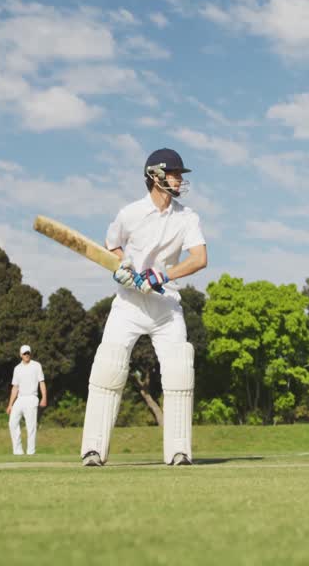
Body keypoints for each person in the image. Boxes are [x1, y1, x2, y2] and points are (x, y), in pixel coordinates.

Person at [81, 147, 207, 467]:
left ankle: (179, 451)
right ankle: (93, 450)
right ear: (155, 176)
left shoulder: (187, 217)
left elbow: (199, 259)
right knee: (108, 367)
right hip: (129, 305)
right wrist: (123, 267)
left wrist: (162, 274)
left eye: (180, 174)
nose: (179, 179)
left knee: (179, 371)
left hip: (166, 305)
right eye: (174, 173)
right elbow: (112, 245)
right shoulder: (129, 214)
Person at [6, 344, 47, 456]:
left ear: (30, 353)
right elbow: (15, 387)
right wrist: (10, 404)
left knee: (31, 426)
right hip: (20, 398)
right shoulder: (17, 369)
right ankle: (18, 451)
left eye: (28, 353)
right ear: (20, 355)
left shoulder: (36, 366)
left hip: (32, 398)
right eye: (24, 353)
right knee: (12, 423)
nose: (26, 355)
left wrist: (44, 397)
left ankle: (31, 452)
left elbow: (41, 382)